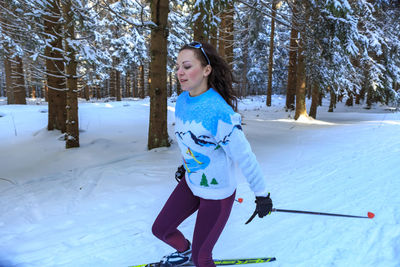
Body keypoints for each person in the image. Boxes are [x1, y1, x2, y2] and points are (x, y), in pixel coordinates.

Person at [151, 41, 273, 267]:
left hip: (217, 194)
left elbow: (245, 156)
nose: (180, 72)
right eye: (178, 66)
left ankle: (194, 255)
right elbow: (189, 139)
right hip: (192, 181)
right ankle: (184, 251)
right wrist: (186, 164)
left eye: (187, 66)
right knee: (161, 229)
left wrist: (262, 194)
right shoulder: (182, 100)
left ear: (206, 70)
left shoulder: (220, 113)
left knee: (202, 259)